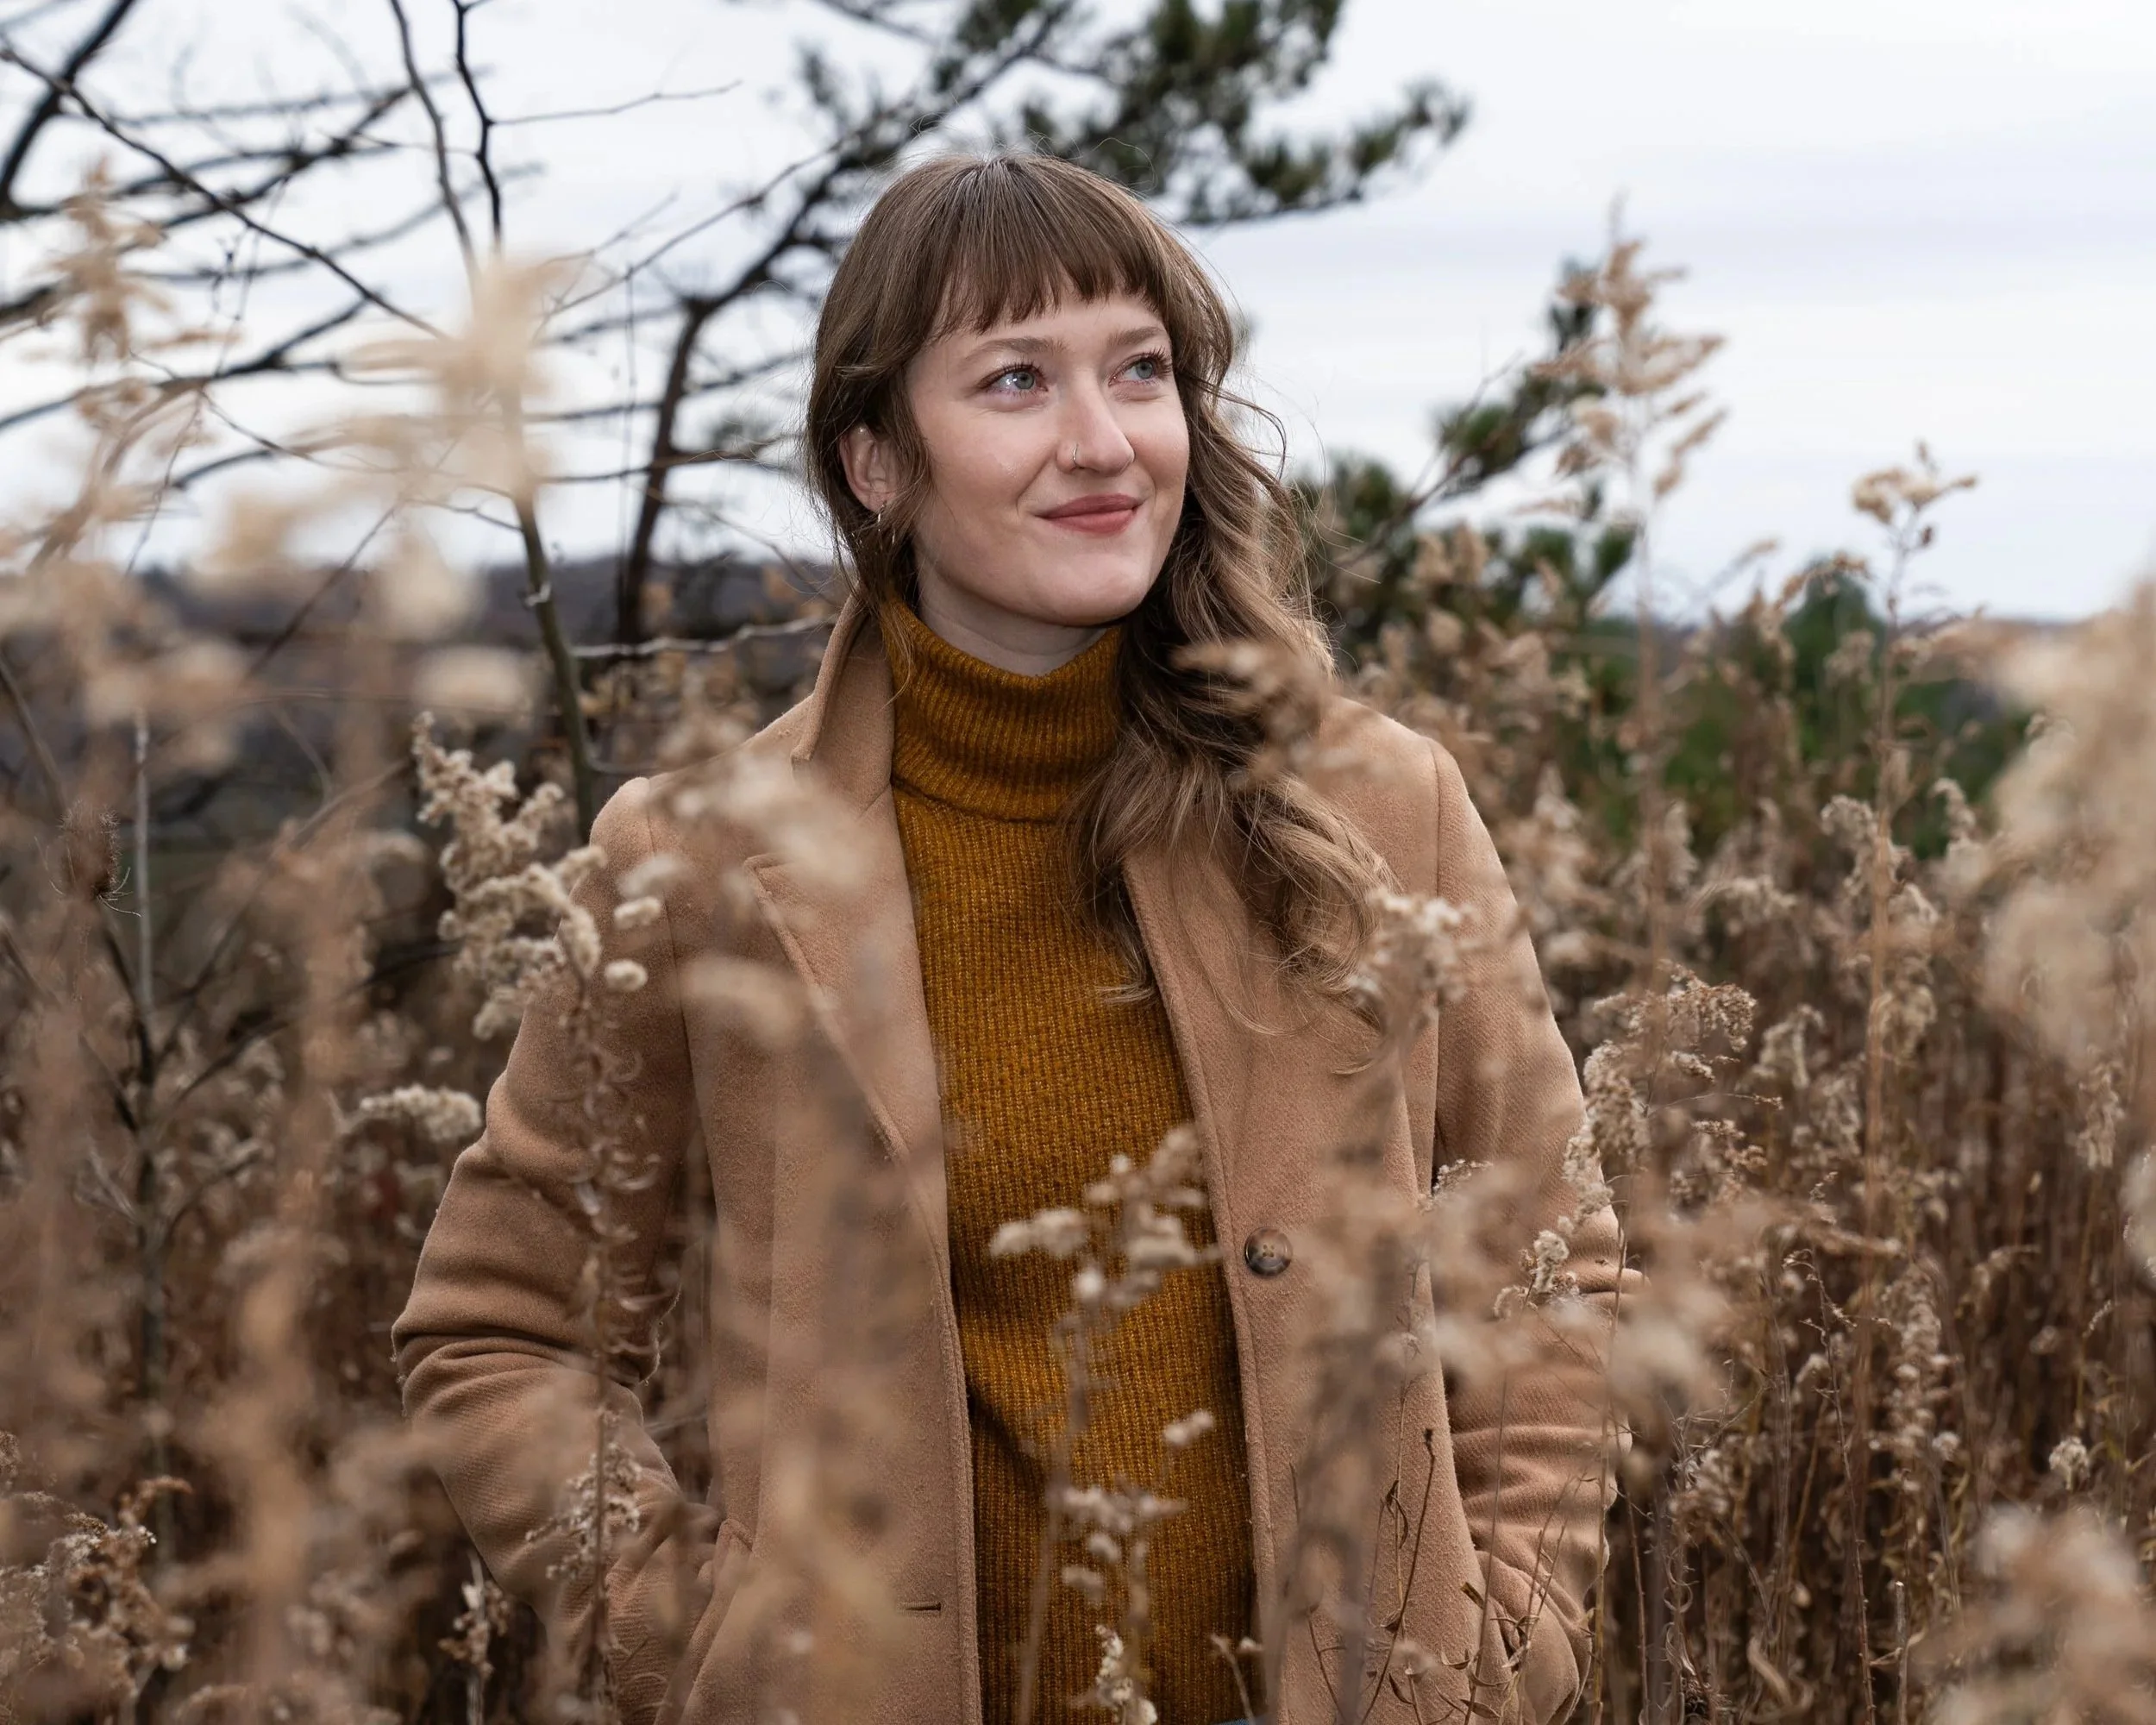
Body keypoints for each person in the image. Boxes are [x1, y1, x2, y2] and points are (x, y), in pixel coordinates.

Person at [393, 150, 1626, 1725]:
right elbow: (500, 1331)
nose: (1102, 443)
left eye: (1142, 372)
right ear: (877, 462)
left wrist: (1502, 1641)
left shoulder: (1382, 812)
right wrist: (705, 1649)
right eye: (1016, 380)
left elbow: (1556, 1266)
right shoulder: (699, 863)